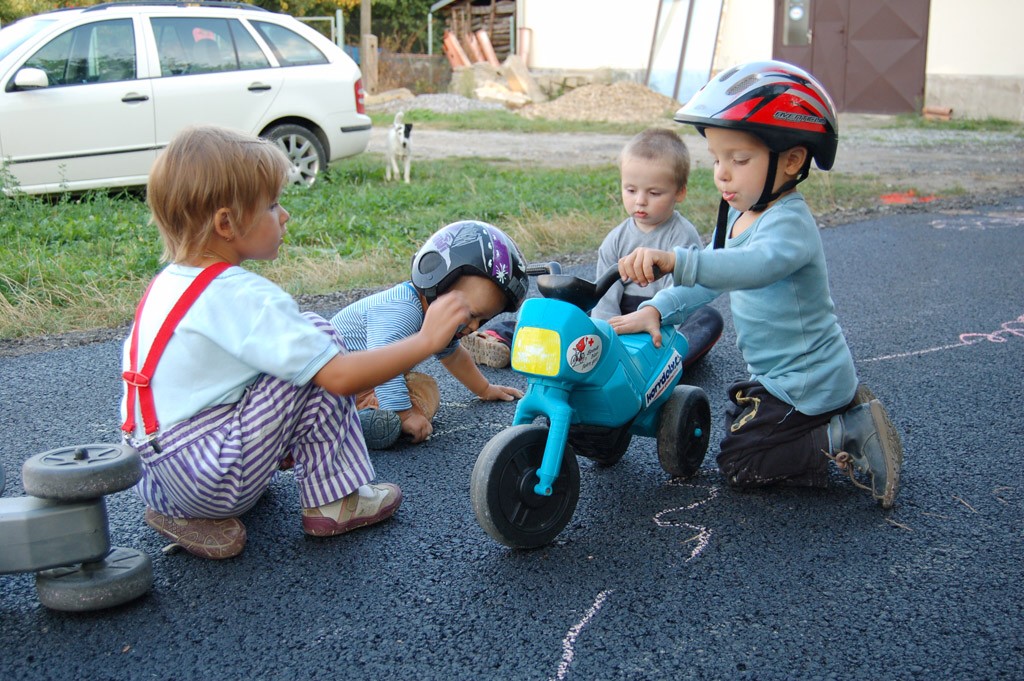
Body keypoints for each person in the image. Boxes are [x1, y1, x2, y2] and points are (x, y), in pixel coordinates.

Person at [120, 126, 475, 560]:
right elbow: (340, 378)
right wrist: (427, 339)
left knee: (291, 359)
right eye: (271, 204)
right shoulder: (242, 295)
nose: (283, 214)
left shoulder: (168, 284)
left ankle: (188, 513)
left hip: (155, 473)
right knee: (319, 338)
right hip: (211, 475)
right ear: (226, 223)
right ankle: (335, 501)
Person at [610, 61, 903, 508]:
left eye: (739, 160)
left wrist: (676, 259)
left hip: (806, 380)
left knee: (741, 464)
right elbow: (709, 279)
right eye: (716, 159)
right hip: (781, 378)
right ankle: (834, 415)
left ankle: (847, 430)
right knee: (738, 423)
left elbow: (750, 266)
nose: (721, 174)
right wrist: (658, 307)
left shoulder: (790, 225)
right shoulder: (741, 213)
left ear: (791, 160)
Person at [460, 128, 722, 369]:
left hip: (660, 320)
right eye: (630, 190)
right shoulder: (616, 238)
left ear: (680, 192)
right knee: (566, 309)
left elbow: (681, 293)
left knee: (707, 319)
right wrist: (606, 332)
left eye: (654, 193)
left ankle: (664, 364)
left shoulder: (683, 236)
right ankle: (504, 338)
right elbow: (605, 297)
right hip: (618, 316)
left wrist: (656, 319)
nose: (640, 201)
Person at [330, 220, 528, 450]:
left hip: (361, 386)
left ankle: (366, 419)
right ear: (438, 279)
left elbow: (454, 355)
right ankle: (362, 422)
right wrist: (405, 414)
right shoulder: (402, 308)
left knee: (425, 387)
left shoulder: (435, 318)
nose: (474, 327)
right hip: (330, 386)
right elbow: (383, 360)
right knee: (415, 391)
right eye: (471, 314)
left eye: (482, 321)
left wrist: (485, 389)